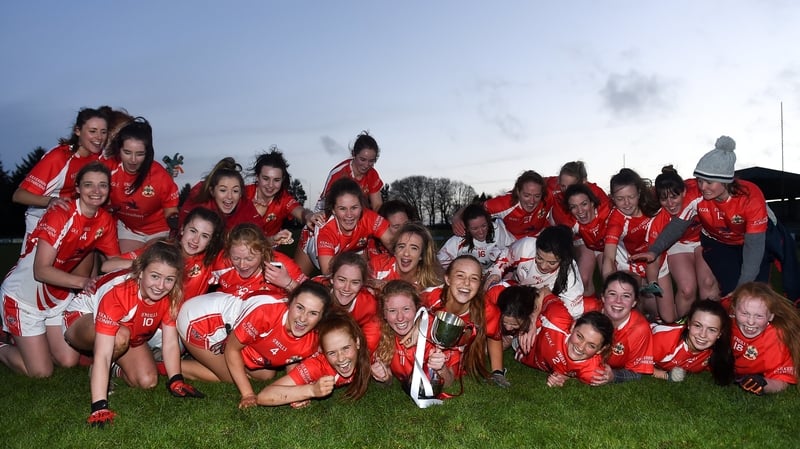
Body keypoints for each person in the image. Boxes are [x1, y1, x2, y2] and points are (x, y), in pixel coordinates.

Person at [61, 242, 203, 427]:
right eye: (155, 276)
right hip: (81, 319)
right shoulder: (119, 292)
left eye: (169, 279)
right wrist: (99, 406)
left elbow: (169, 342)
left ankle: (116, 367)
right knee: (119, 337)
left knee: (147, 381)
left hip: (126, 329)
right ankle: (97, 370)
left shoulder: (171, 294)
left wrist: (176, 379)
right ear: (141, 272)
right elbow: (104, 353)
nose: (161, 285)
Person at [0, 162, 119, 377]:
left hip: (56, 296)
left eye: (103, 185)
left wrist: (145, 259)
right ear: (77, 188)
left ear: (109, 190)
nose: (96, 191)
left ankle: (27, 339)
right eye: (89, 185)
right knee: (41, 372)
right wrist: (83, 283)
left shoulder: (105, 220)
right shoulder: (61, 213)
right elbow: (41, 271)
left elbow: (111, 262)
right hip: (24, 297)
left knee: (67, 360)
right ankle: (3, 343)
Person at [634, 136, 771, 299]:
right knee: (729, 289)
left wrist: (744, 285)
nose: (703, 187)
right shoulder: (695, 194)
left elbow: (754, 247)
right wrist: (655, 250)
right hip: (719, 242)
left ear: (725, 181)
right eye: (699, 181)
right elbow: (677, 226)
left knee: (758, 291)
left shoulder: (750, 196)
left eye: (709, 182)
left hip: (750, 239)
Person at [177, 281, 332, 408]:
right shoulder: (267, 312)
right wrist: (248, 394)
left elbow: (295, 357)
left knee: (265, 375)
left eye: (313, 313)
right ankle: (171, 365)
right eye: (300, 308)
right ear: (289, 303)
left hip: (229, 326)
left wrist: (297, 392)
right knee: (232, 376)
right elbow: (232, 348)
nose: (303, 318)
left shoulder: (316, 337)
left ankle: (207, 360)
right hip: (200, 321)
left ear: (321, 318)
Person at [12, 107, 109, 243]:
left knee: (86, 259)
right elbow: (18, 195)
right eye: (92, 131)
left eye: (103, 132)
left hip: (75, 220)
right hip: (43, 218)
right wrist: (51, 201)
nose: (99, 137)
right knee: (38, 265)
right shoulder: (59, 157)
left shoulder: (99, 157)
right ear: (77, 131)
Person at [101, 206, 226, 302]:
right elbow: (107, 266)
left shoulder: (210, 261)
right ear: (182, 229)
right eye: (193, 231)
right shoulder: (161, 249)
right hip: (151, 319)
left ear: (211, 241)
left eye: (204, 236)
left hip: (184, 323)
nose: (195, 240)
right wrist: (149, 264)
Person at [602, 168, 676, 323]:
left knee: (668, 317)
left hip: (656, 260)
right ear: (612, 198)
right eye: (620, 199)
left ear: (640, 193)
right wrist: (609, 288)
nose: (627, 203)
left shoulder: (655, 202)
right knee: (631, 307)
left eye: (631, 197)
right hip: (630, 263)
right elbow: (608, 257)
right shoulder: (616, 221)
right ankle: (635, 329)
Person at [255, 311, 371, 407]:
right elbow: (263, 396)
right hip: (272, 348)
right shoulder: (317, 366)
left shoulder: (369, 352)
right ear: (323, 352)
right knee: (266, 374)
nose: (341, 358)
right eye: (332, 353)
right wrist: (310, 390)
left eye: (345, 348)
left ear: (357, 342)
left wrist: (386, 376)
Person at [103, 117, 180, 253]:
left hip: (159, 231)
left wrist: (177, 227)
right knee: (125, 268)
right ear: (118, 150)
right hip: (129, 229)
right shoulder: (108, 169)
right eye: (127, 152)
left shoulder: (160, 176)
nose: (132, 160)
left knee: (151, 260)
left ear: (148, 153)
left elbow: (171, 212)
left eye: (139, 154)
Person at [370, 280, 458, 395]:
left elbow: (449, 382)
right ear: (384, 315)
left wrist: (441, 368)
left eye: (406, 309)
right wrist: (383, 377)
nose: (400, 317)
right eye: (392, 311)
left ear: (416, 309)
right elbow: (388, 381)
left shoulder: (434, 333)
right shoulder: (382, 335)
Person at [653, 166, 719, 316]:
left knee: (708, 282)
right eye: (664, 199)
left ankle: (713, 325)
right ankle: (682, 329)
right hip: (678, 245)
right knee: (687, 290)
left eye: (674, 197)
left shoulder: (697, 191)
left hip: (704, 238)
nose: (670, 203)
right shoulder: (658, 214)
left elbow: (723, 185)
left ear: (684, 191)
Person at [296, 178, 394, 275]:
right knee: (297, 283)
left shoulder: (369, 217)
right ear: (333, 210)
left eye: (354, 207)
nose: (349, 215)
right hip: (313, 243)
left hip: (351, 247)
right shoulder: (326, 228)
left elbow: (394, 246)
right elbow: (327, 272)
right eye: (342, 209)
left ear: (362, 207)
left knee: (363, 277)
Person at [486, 225, 585, 319]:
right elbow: (506, 255)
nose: (543, 266)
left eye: (552, 263)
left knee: (589, 305)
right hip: (519, 289)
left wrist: (539, 310)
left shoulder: (570, 274)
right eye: (539, 258)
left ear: (564, 259)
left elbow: (574, 313)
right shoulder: (526, 246)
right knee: (494, 292)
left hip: (544, 304)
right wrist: (496, 272)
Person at [421, 255, 488, 379]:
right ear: (447, 279)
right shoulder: (429, 296)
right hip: (427, 344)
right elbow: (404, 313)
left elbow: (495, 337)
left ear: (479, 284)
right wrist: (415, 327)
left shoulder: (486, 309)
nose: (466, 283)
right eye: (460, 275)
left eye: (474, 278)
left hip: (457, 352)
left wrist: (498, 371)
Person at [729, 282, 800, 395]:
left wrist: (762, 384)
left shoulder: (775, 338)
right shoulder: (724, 322)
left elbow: (782, 380)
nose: (751, 322)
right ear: (733, 310)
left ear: (771, 316)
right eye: (744, 313)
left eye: (759, 316)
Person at [518, 308, 615, 388]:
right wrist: (530, 322)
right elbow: (543, 291)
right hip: (520, 329)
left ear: (600, 350)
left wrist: (565, 377)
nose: (581, 347)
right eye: (579, 336)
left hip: (521, 354)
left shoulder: (593, 373)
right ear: (573, 326)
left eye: (591, 345)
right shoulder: (556, 319)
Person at [451, 170, 553, 241]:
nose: (532, 201)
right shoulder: (504, 204)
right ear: (517, 191)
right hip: (513, 241)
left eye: (537, 196)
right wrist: (457, 216)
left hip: (541, 236)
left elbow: (566, 179)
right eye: (526, 195)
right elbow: (474, 208)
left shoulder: (548, 195)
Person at [245, 147, 317, 247]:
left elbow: (301, 212)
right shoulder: (243, 194)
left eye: (276, 180)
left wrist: (309, 216)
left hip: (269, 248)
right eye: (266, 178)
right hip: (241, 247)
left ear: (282, 180)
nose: (270, 185)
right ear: (257, 177)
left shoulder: (284, 198)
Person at [650, 299, 734, 385]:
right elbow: (637, 359)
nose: (703, 335)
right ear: (689, 324)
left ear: (720, 334)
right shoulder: (664, 339)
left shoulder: (714, 353)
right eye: (697, 325)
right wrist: (666, 375)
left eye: (712, 330)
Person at [211, 223, 307, 297]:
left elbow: (314, 296)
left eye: (249, 258)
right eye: (236, 258)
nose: (242, 265)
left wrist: (288, 283)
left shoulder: (279, 265)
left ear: (262, 252)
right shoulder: (222, 262)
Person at [312, 251, 381, 353]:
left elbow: (369, 342)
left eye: (355, 282)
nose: (346, 288)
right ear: (332, 279)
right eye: (341, 280)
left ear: (362, 284)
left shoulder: (369, 304)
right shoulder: (315, 291)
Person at [593, 271, 654, 384]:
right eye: (612, 294)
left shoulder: (639, 329)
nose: (618, 301)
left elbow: (636, 373)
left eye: (626, 296)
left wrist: (614, 376)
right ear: (603, 297)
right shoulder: (586, 310)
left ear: (634, 302)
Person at [179, 157, 262, 232]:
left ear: (241, 193)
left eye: (235, 191)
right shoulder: (199, 208)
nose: (229, 196)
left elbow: (259, 239)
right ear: (212, 191)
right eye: (223, 190)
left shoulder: (247, 208)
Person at [485, 284, 540, 387]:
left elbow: (542, 292)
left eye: (514, 324)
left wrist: (529, 326)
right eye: (505, 322)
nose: (508, 328)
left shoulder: (533, 315)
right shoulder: (492, 298)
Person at [315, 131, 384, 212]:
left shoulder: (372, 174)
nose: (366, 165)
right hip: (328, 213)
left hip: (356, 214)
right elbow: (330, 205)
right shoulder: (338, 173)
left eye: (371, 161)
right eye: (362, 159)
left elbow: (377, 205)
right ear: (353, 154)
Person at [563, 184, 612, 296]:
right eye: (573, 207)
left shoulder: (608, 211)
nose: (580, 211)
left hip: (608, 246)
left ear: (592, 203)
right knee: (583, 280)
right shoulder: (570, 221)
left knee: (609, 277)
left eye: (584, 204)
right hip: (587, 244)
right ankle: (589, 309)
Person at [437, 203, 513, 274]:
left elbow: (512, 253)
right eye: (474, 228)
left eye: (484, 226)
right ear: (467, 228)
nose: (481, 232)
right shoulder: (457, 240)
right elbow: (439, 264)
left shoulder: (499, 231)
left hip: (494, 276)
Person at [369, 222, 443, 292]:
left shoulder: (429, 282)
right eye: (401, 246)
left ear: (421, 255)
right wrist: (372, 284)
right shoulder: (378, 265)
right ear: (394, 251)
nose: (406, 253)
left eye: (414, 248)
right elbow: (359, 279)